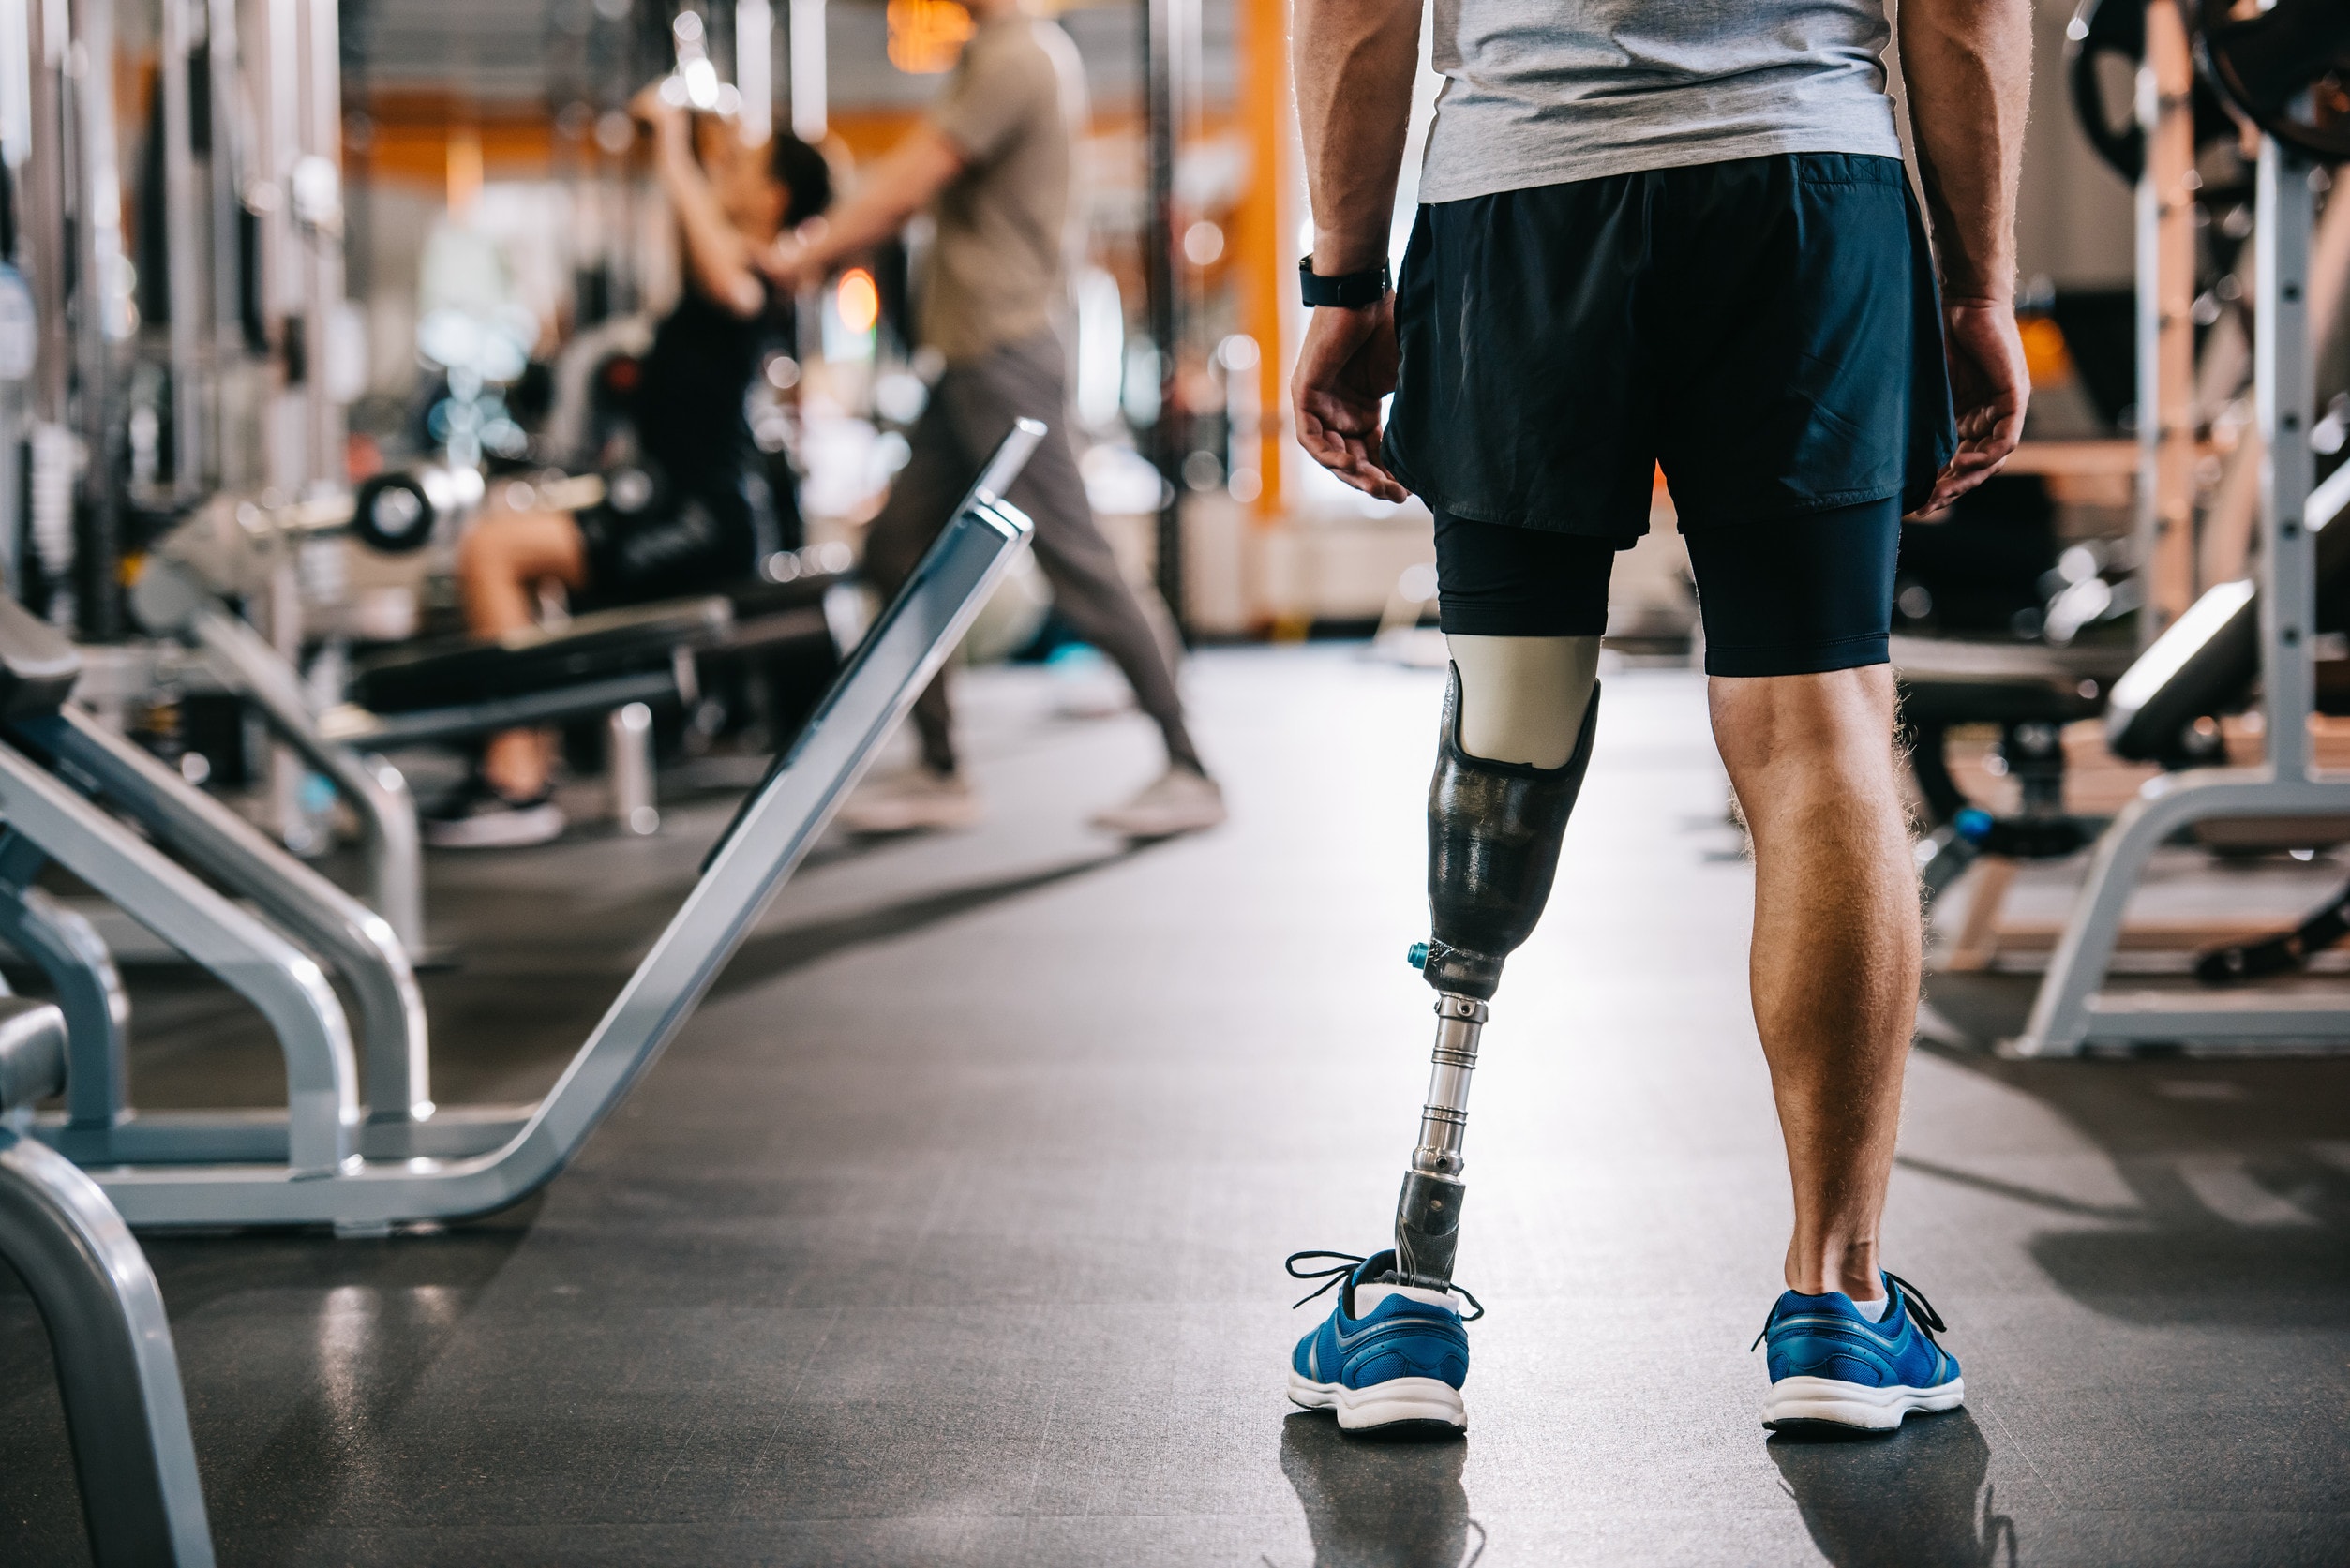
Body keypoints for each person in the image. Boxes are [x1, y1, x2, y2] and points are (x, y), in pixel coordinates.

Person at [1281, 0, 2030, 1436]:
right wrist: (1976, 282)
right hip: (1798, 191)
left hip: (1519, 200)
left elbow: (1357, 9)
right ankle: (1836, 1299)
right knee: (1817, 728)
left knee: (1508, 711)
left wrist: (1341, 278)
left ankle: (1414, 1298)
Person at [767, 0, 1224, 840]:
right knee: (897, 552)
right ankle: (941, 770)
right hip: (965, 359)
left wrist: (796, 255)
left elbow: (907, 182)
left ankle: (1189, 765)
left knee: (1076, 558)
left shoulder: (1021, 56)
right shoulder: (990, 56)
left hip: (1005, 353)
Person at [427, 87, 832, 848]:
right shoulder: (725, 261)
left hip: (702, 521)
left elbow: (720, 269)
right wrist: (688, 133)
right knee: (504, 544)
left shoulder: (761, 273)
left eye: (744, 167)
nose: (726, 174)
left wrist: (675, 143)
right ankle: (526, 757)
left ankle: (519, 778)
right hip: (670, 504)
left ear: (774, 196)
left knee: (492, 549)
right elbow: (696, 219)